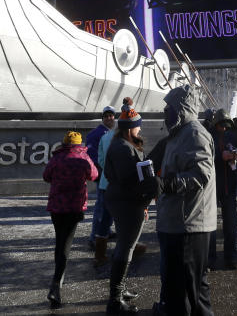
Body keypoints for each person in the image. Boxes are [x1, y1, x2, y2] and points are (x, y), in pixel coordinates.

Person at [155, 85, 216, 316]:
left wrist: (169, 183)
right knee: (182, 290)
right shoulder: (178, 133)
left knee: (190, 292)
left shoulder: (194, 133)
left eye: (168, 107)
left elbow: (201, 174)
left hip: (188, 225)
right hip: (176, 223)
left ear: (181, 108)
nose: (165, 111)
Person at [104, 107, 157, 314]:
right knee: (125, 248)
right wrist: (143, 201)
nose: (140, 127)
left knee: (125, 246)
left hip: (122, 200)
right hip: (127, 203)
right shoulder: (124, 149)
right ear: (129, 128)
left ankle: (120, 290)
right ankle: (115, 300)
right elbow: (131, 182)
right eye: (137, 125)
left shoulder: (121, 144)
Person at [43, 131, 98, 309]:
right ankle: (56, 286)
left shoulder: (57, 157)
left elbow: (46, 176)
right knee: (65, 244)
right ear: (78, 143)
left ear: (65, 143)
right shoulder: (83, 158)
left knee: (60, 241)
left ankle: (56, 283)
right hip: (74, 207)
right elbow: (94, 175)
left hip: (57, 208)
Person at [208, 109, 237, 270]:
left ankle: (231, 257)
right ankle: (210, 259)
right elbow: (205, 157)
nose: (224, 128)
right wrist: (221, 156)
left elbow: (235, 149)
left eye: (227, 125)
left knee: (231, 224)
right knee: (210, 225)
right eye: (222, 125)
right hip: (213, 185)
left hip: (229, 185)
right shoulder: (209, 136)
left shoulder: (232, 135)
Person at [86, 106, 117, 250]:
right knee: (101, 206)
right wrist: (99, 172)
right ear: (102, 118)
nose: (110, 118)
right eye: (107, 116)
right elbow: (92, 156)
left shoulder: (110, 133)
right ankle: (94, 236)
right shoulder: (96, 134)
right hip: (103, 175)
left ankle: (105, 230)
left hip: (109, 175)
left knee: (108, 205)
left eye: (112, 116)